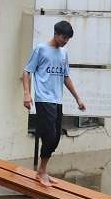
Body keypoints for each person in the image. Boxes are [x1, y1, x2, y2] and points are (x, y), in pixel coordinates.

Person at [22, 20, 86, 187]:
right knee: (49, 135)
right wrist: (27, 94)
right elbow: (27, 71)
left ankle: (42, 170)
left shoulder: (63, 53)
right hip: (43, 99)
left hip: (57, 100)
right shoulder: (41, 49)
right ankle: (41, 172)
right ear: (56, 34)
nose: (65, 41)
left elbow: (66, 77)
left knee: (56, 138)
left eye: (68, 39)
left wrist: (77, 98)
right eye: (63, 37)